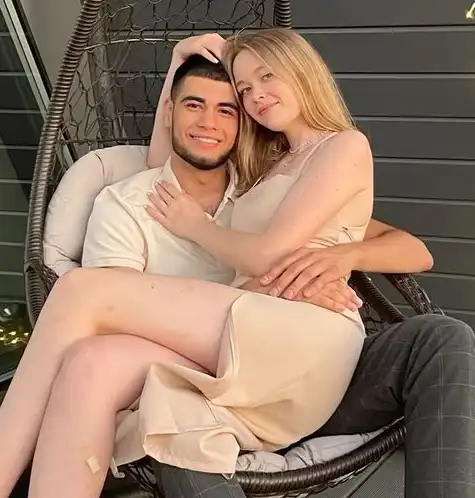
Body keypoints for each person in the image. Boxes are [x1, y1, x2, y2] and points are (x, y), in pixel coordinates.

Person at [0, 31, 442, 498]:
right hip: (246, 338)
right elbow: (163, 162)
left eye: (265, 78)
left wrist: (341, 256)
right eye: (245, 89)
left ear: (300, 71)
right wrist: (178, 59)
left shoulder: (338, 148)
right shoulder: (263, 169)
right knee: (90, 363)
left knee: (79, 290)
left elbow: (409, 249)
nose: (256, 96)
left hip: (298, 339)